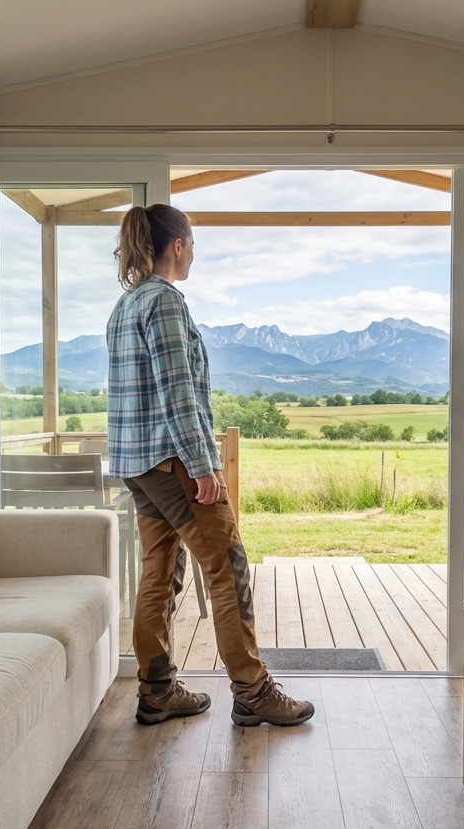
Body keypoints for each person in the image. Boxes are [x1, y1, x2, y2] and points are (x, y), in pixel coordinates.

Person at [107, 203, 314, 728]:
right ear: (177, 246)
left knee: (160, 571)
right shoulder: (165, 302)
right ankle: (253, 691)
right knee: (228, 567)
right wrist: (204, 465)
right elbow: (179, 394)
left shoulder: (125, 306)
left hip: (138, 464)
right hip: (172, 460)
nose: (193, 254)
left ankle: (156, 691)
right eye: (192, 245)